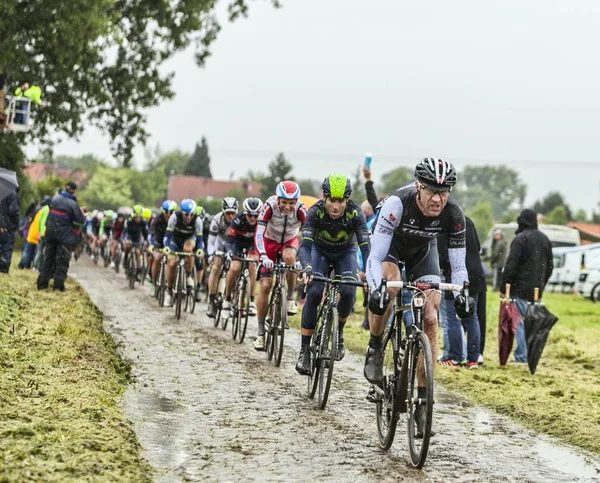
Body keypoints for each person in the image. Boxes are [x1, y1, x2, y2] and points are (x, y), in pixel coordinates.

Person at [364, 158, 474, 433]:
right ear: (418, 187)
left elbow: (459, 266)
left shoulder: (454, 214)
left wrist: (463, 293)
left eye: (444, 192)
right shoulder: (397, 204)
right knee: (390, 286)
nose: (438, 199)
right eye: (432, 191)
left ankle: (424, 404)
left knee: (431, 316)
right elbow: (375, 256)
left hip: (423, 252)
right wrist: (376, 288)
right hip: (390, 248)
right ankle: (375, 347)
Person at [295, 175, 370, 374]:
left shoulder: (355, 214)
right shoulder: (315, 212)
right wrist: (307, 267)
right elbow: (304, 246)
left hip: (345, 253)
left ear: (347, 200)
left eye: (341, 201)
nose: (336, 206)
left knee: (348, 291)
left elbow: (366, 247)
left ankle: (340, 333)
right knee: (314, 292)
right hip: (319, 253)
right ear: (324, 198)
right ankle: (304, 351)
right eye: (332, 201)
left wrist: (371, 273)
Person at [253, 181, 307, 351]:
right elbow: (259, 233)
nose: (287, 206)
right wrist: (262, 255)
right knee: (266, 286)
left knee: (290, 257)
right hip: (269, 242)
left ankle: (290, 298)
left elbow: (309, 234)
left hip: (290, 241)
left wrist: (304, 258)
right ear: (278, 199)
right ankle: (261, 333)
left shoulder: (301, 210)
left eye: (292, 203)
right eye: (284, 202)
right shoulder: (268, 206)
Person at [500, 209, 553, 363]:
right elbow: (549, 266)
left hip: (519, 289)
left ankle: (522, 356)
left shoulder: (521, 238)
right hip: (536, 289)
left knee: (520, 323)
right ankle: (530, 355)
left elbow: (511, 265)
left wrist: (504, 287)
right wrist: (542, 282)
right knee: (532, 322)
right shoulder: (545, 239)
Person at [438, 216, 484, 368]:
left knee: (453, 317)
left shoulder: (444, 221)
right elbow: (477, 247)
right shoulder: (468, 221)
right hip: (476, 273)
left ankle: (456, 358)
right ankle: (473, 358)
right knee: (472, 317)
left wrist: (443, 267)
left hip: (457, 273)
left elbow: (443, 254)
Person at [37, 182, 86, 291]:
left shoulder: (54, 199)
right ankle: (58, 287)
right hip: (65, 237)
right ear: (74, 191)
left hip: (50, 235)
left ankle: (42, 284)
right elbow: (80, 222)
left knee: (48, 260)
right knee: (62, 262)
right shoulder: (72, 204)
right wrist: (82, 215)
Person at [224, 197, 263, 315]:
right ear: (245, 213)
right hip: (237, 244)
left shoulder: (262, 222)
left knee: (252, 264)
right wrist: (229, 251)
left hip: (252, 245)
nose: (252, 218)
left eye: (255, 216)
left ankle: (251, 301)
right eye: (250, 215)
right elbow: (229, 241)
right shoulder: (238, 220)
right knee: (234, 267)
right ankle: (227, 298)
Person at [162, 199, 204, 306]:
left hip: (189, 239)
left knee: (188, 249)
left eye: (191, 214)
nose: (189, 217)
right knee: (171, 263)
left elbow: (200, 240)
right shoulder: (174, 217)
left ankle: (188, 275)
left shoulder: (198, 220)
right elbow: (167, 236)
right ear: (181, 212)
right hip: (175, 240)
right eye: (186, 214)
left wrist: (200, 249)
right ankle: (169, 291)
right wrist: (166, 247)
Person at [206, 197, 238, 318]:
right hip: (219, 244)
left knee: (236, 268)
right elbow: (210, 242)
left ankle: (232, 297)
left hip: (233, 245)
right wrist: (211, 255)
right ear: (223, 212)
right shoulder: (217, 220)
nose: (230, 216)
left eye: (233, 213)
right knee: (215, 267)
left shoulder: (239, 220)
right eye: (228, 213)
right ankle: (211, 300)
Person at [148, 200, 176, 296]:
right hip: (159, 240)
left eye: (171, 212)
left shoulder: (176, 219)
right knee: (157, 258)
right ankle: (153, 282)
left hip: (171, 241)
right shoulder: (157, 218)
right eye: (166, 212)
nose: (168, 214)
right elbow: (151, 232)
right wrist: (151, 244)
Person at [19, 196, 51, 269]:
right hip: (38, 233)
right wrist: (41, 232)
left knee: (27, 250)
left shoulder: (38, 208)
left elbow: (31, 219)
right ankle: (34, 267)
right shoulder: (47, 210)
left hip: (32, 231)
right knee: (37, 252)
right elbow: (42, 222)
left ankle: (23, 265)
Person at [123, 205, 149, 280]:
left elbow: (145, 233)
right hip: (129, 236)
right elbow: (125, 232)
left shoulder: (143, 222)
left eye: (139, 217)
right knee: (127, 247)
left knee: (138, 252)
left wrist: (146, 241)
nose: (137, 219)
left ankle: (137, 270)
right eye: (136, 217)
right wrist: (126, 240)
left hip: (137, 238)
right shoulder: (128, 221)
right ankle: (125, 260)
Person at [0, 190, 20, 273]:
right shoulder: (12, 193)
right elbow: (13, 210)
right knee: (7, 246)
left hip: (1, 222)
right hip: (8, 224)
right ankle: (4, 267)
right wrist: (16, 223)